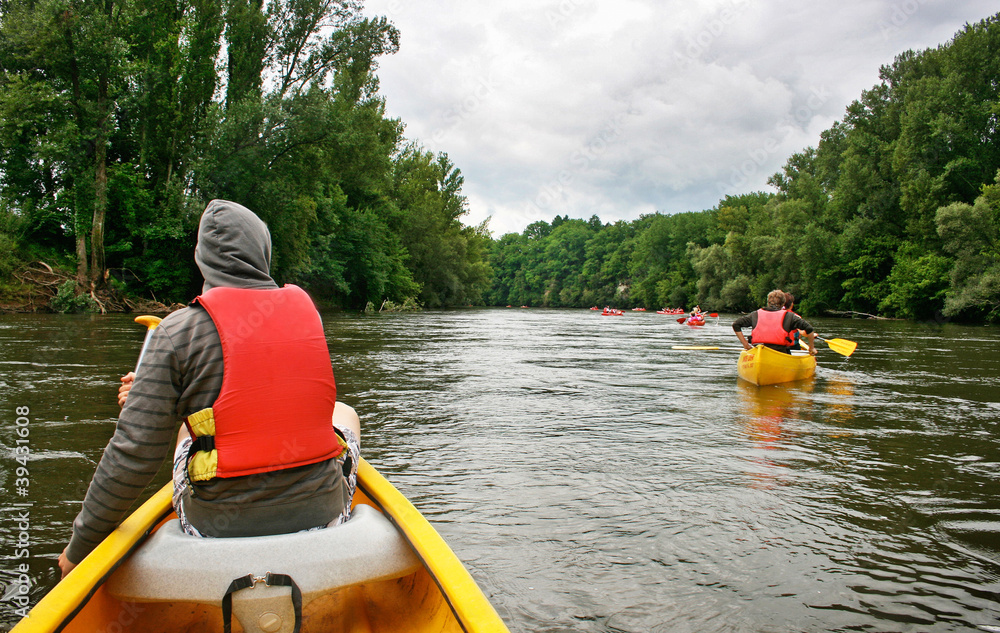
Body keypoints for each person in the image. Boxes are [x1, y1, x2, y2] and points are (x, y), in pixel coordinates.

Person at [58, 200, 361, 578]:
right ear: (262, 253)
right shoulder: (308, 313)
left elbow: (133, 454)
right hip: (323, 515)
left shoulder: (176, 330)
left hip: (214, 526)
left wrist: (79, 548)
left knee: (187, 429)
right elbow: (270, 392)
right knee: (345, 412)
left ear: (202, 259)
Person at [732, 289, 817, 355]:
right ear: (783, 304)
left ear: (768, 302)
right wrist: (811, 348)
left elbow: (736, 325)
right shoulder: (790, 317)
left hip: (758, 350)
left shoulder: (755, 314)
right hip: (780, 352)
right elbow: (809, 329)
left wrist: (746, 345)